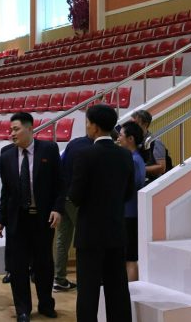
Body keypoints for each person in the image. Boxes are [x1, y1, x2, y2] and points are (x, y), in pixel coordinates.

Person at [0, 112, 64, 322]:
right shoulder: (6, 154)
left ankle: (46, 304)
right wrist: (0, 219)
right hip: (17, 220)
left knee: (44, 265)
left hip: (42, 219)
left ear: (30, 128)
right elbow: (6, 191)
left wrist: (57, 208)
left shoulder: (49, 150)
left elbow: (60, 184)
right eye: (11, 130)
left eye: (15, 129)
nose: (12, 133)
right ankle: (23, 309)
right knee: (17, 267)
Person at [69, 105, 135, 322]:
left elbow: (76, 196)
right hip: (116, 231)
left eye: (88, 122)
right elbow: (128, 193)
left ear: (95, 127)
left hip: (90, 234)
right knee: (118, 290)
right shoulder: (125, 156)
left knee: (88, 292)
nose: (87, 126)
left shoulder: (84, 155)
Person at [53, 135, 91, 293]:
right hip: (77, 198)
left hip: (64, 194)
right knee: (86, 237)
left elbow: (61, 165)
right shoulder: (91, 148)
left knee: (62, 238)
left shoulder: (74, 143)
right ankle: (87, 278)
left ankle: (59, 279)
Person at [116, 121, 147, 281]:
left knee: (130, 258)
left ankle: (131, 292)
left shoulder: (133, 160)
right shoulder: (133, 158)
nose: (118, 138)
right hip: (128, 212)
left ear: (131, 139)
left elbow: (129, 187)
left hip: (129, 213)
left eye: (121, 135)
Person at [131, 110, 167, 180]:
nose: (132, 127)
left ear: (145, 124)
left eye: (136, 123)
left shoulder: (155, 142)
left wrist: (138, 168)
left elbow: (162, 167)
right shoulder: (131, 139)